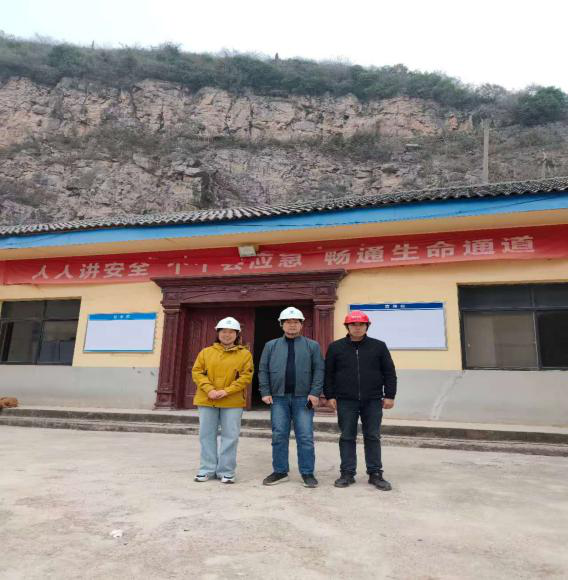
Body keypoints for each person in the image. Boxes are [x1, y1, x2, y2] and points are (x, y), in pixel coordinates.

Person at [324, 310, 397, 491]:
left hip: (372, 400)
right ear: (347, 327)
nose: (357, 328)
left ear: (367, 326)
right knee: (347, 436)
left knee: (372, 436)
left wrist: (390, 395)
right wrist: (330, 395)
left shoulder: (378, 346)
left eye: (361, 324)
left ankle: (375, 473)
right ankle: (347, 473)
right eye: (353, 325)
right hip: (345, 400)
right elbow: (328, 374)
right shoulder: (335, 347)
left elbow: (389, 372)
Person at [258, 306, 324, 488]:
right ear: (281, 324)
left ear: (301, 325)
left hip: (303, 398)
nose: (292, 325)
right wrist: (265, 391)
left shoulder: (312, 345)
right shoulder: (271, 346)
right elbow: (263, 370)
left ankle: (307, 473)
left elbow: (319, 370)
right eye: (288, 322)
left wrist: (315, 393)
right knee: (279, 435)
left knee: (305, 436)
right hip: (278, 398)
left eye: (296, 322)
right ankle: (280, 471)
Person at [192, 317, 253, 484]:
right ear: (218, 333)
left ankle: (226, 471)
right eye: (224, 331)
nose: (227, 335)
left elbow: (246, 377)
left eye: (231, 332)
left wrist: (226, 391)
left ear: (237, 334)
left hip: (232, 401)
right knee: (206, 435)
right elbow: (197, 372)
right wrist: (209, 390)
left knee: (230, 436)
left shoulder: (245, 354)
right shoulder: (205, 352)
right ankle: (206, 469)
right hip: (207, 399)